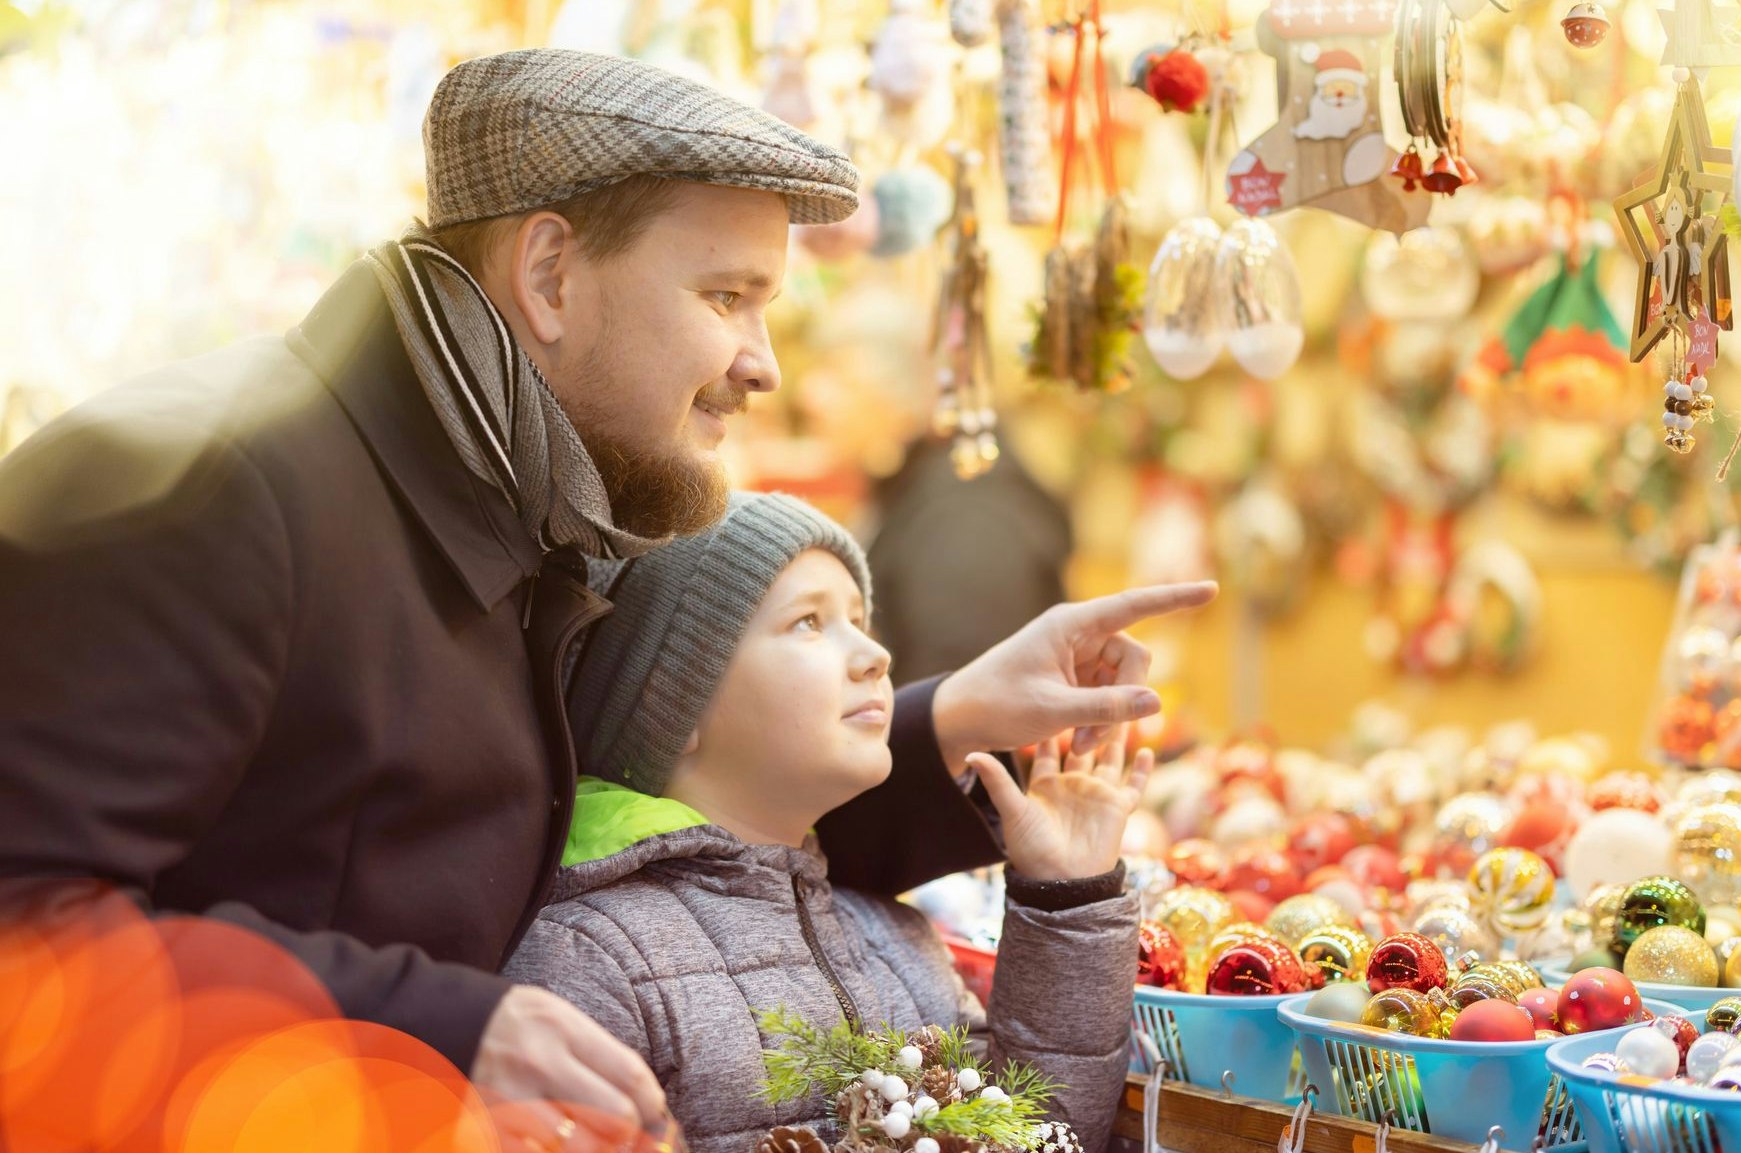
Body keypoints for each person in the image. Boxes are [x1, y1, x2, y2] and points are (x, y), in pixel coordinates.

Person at [0, 47, 1214, 1132]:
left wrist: (957, 722)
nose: (762, 361)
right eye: (726, 295)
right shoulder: (206, 480)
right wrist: (444, 1024)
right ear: (548, 274)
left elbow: (659, 809)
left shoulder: (530, 497)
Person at [507, 492, 1143, 1153]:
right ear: (674, 702)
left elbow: (1037, 1138)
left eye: (861, 618)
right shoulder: (587, 960)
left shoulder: (898, 940)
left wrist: (1069, 893)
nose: (874, 653)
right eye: (808, 621)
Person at [866, 431, 1073, 684]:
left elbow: (961, 671)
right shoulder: (934, 482)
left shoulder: (966, 508)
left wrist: (911, 719)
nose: (814, 403)